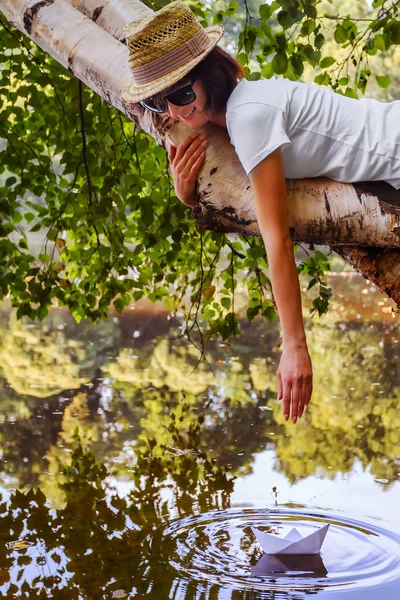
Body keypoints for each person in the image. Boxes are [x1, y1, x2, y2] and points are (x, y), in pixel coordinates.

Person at [122, 1, 400, 424]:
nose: (176, 113)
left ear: (209, 71)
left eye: (180, 93)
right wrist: (188, 196)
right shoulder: (244, 105)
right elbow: (233, 185)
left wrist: (294, 346)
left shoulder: (248, 115)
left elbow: (277, 237)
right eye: (160, 104)